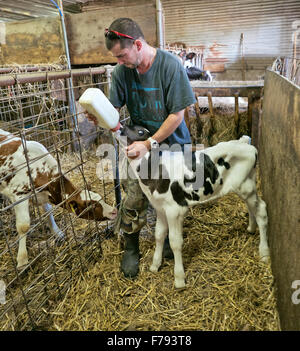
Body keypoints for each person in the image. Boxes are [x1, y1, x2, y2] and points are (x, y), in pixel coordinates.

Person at [103, 18, 196, 278]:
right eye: (116, 57)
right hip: (139, 138)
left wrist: (149, 144)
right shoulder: (122, 72)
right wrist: (100, 115)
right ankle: (131, 246)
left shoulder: (170, 66)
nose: (119, 61)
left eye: (122, 55)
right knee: (133, 193)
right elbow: (114, 110)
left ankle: (167, 238)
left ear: (139, 45)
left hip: (172, 141)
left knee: (172, 195)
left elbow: (177, 115)